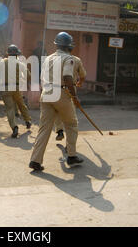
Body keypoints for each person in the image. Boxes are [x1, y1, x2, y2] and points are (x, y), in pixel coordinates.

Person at [29, 32, 84, 171]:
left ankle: (35, 160)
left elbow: (42, 77)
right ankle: (71, 156)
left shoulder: (48, 58)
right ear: (69, 46)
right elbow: (67, 77)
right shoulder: (69, 58)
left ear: (57, 44)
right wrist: (74, 96)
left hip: (46, 93)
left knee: (44, 129)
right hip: (60, 93)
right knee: (71, 124)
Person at [0, 44, 32, 138]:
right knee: (21, 104)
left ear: (7, 54)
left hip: (5, 89)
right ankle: (28, 120)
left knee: (10, 108)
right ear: (17, 54)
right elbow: (28, 75)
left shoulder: (2, 62)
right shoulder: (20, 63)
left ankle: (14, 127)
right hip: (16, 88)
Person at [54, 54, 86, 141]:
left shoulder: (53, 58)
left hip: (56, 89)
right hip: (70, 89)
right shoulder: (76, 59)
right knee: (70, 117)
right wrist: (80, 82)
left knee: (57, 111)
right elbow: (83, 75)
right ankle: (69, 144)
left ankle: (59, 130)